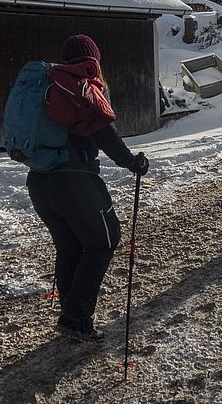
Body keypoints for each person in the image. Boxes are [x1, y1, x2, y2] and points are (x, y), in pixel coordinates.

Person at [26, 34, 149, 343]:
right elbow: (105, 134)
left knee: (70, 246)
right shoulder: (81, 87)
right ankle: (76, 317)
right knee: (104, 240)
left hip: (39, 182)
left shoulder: (51, 86)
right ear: (93, 60)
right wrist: (133, 163)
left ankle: (71, 318)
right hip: (74, 182)